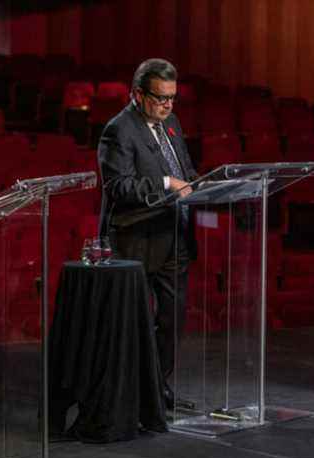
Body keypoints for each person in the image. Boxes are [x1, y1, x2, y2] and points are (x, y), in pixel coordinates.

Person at [98, 58, 197, 408]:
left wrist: (202, 187)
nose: (168, 105)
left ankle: (158, 388)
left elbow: (185, 170)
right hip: (136, 240)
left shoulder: (171, 123)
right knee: (134, 325)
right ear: (138, 95)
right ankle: (133, 395)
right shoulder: (119, 130)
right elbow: (119, 187)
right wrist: (167, 183)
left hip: (174, 235)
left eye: (172, 98)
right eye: (160, 98)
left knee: (171, 320)